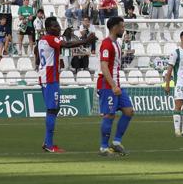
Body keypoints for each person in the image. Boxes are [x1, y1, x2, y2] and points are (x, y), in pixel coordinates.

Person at [37, 15, 98, 153]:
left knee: (55, 108)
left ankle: (47, 141)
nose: (58, 27)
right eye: (55, 26)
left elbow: (41, 54)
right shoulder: (51, 39)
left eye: (58, 25)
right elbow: (67, 45)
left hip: (46, 76)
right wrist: (86, 40)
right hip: (50, 77)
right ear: (48, 28)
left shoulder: (42, 40)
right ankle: (49, 144)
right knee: (52, 109)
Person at [97, 16, 133, 156]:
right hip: (108, 85)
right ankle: (103, 148)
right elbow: (104, 66)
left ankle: (116, 143)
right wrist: (113, 85)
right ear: (114, 28)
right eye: (122, 27)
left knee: (129, 111)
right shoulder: (106, 44)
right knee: (109, 115)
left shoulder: (117, 44)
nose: (123, 30)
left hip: (116, 85)